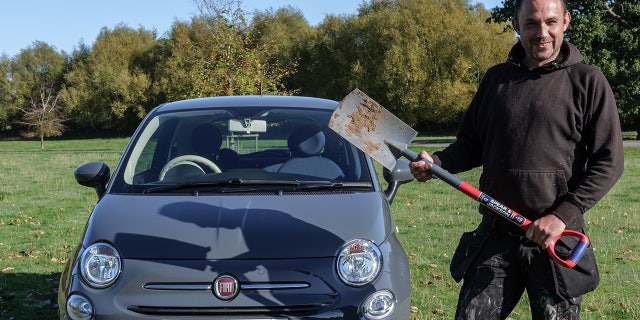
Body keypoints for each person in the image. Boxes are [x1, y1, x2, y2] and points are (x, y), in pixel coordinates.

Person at [409, 0, 624, 318]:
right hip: (496, 235)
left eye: (551, 22)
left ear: (565, 21)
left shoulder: (588, 82)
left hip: (556, 240)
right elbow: (471, 144)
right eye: (532, 24)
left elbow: (610, 162)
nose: (542, 33)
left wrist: (562, 215)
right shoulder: (497, 80)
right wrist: (438, 163)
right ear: (515, 25)